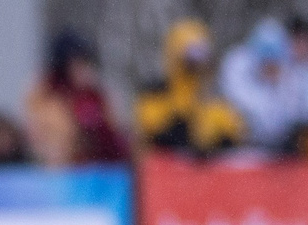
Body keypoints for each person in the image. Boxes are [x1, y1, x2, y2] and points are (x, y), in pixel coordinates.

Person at [137, 20, 244, 156]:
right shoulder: (156, 92)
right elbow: (151, 131)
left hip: (204, 175)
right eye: (191, 56)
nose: (197, 65)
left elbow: (235, 135)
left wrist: (209, 134)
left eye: (202, 55)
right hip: (163, 172)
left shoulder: (214, 96)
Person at [221, 18, 308, 152]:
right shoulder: (239, 73)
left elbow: (297, 112)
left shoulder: (293, 77)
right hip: (244, 148)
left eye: (275, 64)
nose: (271, 70)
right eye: (267, 63)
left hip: (276, 151)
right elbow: (252, 111)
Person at [25, 32, 130, 165]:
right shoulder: (45, 97)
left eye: (84, 62)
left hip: (102, 170)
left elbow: (116, 132)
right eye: (76, 63)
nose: (82, 68)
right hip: (63, 174)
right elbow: (44, 143)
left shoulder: (96, 94)